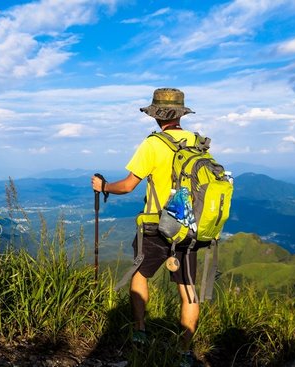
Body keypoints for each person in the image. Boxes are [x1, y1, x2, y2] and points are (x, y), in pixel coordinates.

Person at [91, 88, 200, 363]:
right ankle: (185, 352)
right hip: (189, 228)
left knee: (140, 275)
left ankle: (140, 331)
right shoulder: (197, 142)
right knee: (187, 289)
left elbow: (128, 186)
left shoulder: (154, 143)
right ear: (179, 114)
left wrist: (103, 186)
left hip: (156, 226)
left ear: (156, 115)